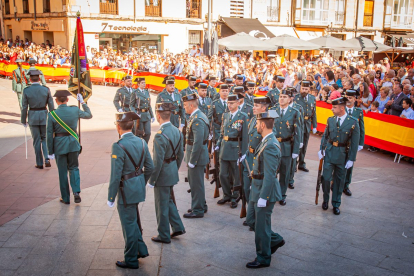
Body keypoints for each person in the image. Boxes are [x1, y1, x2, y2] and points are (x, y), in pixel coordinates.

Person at [107, 112, 154, 269]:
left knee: (129, 225)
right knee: (133, 221)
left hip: (126, 191)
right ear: (132, 126)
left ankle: (131, 259)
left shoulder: (118, 145)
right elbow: (150, 167)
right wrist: (140, 180)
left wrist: (111, 197)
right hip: (138, 187)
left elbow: (115, 175)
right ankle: (140, 249)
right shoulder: (141, 142)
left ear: (118, 127)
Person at [245, 110, 285, 269]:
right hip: (258, 187)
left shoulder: (270, 145)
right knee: (251, 220)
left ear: (262, 124)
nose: (255, 126)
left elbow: (270, 175)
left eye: (256, 123)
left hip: (265, 191)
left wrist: (264, 197)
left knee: (262, 226)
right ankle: (274, 240)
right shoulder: (266, 141)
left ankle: (263, 258)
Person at [46, 90, 92, 204]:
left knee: (62, 172)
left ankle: (65, 198)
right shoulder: (75, 110)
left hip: (59, 145)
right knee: (74, 168)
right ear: (67, 100)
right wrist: (83, 102)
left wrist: (50, 151)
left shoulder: (52, 114)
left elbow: (49, 134)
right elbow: (89, 115)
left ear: (56, 101)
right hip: (73, 144)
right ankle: (76, 192)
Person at [148, 103, 185, 243]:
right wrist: (174, 169)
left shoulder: (159, 135)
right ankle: (177, 226)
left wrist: (152, 180)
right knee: (168, 200)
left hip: (162, 175)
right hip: (171, 171)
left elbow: (157, 162)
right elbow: (180, 154)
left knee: (161, 205)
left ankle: (163, 235)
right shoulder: (177, 131)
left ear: (158, 116)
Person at [318, 97, 360, 215]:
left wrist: (351, 159)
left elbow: (354, 143)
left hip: (342, 154)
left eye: (334, 107)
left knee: (339, 180)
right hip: (330, 152)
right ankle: (325, 200)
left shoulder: (353, 122)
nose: (332, 109)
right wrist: (322, 148)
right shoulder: (330, 120)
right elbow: (325, 136)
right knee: (326, 178)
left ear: (342, 108)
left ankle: (336, 203)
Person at [239, 97, 271, 228]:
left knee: (256, 190)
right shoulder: (253, 119)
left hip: (259, 160)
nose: (253, 107)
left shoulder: (267, 122)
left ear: (264, 108)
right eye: (254, 105)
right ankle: (251, 214)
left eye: (257, 105)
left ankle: (254, 218)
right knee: (247, 188)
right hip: (249, 157)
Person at [216, 94, 249, 209]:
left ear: (238, 103)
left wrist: (244, 152)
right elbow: (222, 132)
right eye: (228, 103)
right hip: (224, 149)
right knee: (222, 174)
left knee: (236, 175)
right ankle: (226, 195)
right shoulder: (225, 115)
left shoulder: (243, 116)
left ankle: (235, 196)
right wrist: (217, 144)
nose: (229, 105)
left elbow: (245, 137)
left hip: (236, 149)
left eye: (232, 103)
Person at [270, 89, 301, 205]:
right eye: (280, 96)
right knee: (272, 171)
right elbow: (270, 126)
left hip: (287, 145)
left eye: (284, 97)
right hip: (274, 145)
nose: (281, 98)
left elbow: (298, 132)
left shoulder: (294, 112)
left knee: (284, 172)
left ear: (290, 99)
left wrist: (296, 150)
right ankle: (273, 193)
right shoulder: (273, 110)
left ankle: (282, 195)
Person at [183, 93, 210, 218]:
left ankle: (198, 210)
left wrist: (192, 160)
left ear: (191, 105)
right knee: (197, 183)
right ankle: (201, 205)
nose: (184, 107)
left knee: (196, 184)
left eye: (185, 105)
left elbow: (198, 142)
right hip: (196, 156)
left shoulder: (197, 119)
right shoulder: (197, 116)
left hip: (196, 157)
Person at [21, 70, 54, 169]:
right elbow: (51, 106)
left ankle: (39, 163)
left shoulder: (26, 90)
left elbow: (24, 107)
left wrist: (23, 120)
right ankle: (47, 158)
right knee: (44, 138)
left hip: (33, 116)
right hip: (44, 115)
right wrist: (52, 117)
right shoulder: (46, 89)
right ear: (39, 79)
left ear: (30, 79)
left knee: (36, 140)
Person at [343, 90, 365, 196]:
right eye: (347, 97)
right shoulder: (341, 108)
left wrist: (360, 142)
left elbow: (361, 128)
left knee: (350, 163)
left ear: (355, 99)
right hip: (342, 140)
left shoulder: (358, 111)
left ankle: (346, 185)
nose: (348, 100)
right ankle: (336, 182)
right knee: (338, 162)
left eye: (351, 98)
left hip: (352, 142)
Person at [294, 81, 317, 172]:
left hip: (307, 123)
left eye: (306, 89)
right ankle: (294, 163)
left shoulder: (312, 98)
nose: (304, 90)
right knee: (297, 143)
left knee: (305, 144)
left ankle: (302, 163)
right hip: (298, 123)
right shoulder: (296, 98)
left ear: (309, 89)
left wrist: (314, 125)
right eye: (303, 88)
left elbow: (314, 112)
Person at [130, 77, 155, 143]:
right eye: (142, 83)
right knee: (139, 133)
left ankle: (144, 144)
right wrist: (135, 113)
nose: (144, 84)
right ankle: (139, 146)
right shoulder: (135, 92)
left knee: (148, 133)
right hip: (139, 115)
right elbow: (131, 105)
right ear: (138, 84)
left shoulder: (146, 92)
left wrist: (152, 116)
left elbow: (149, 105)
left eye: (144, 83)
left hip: (147, 115)